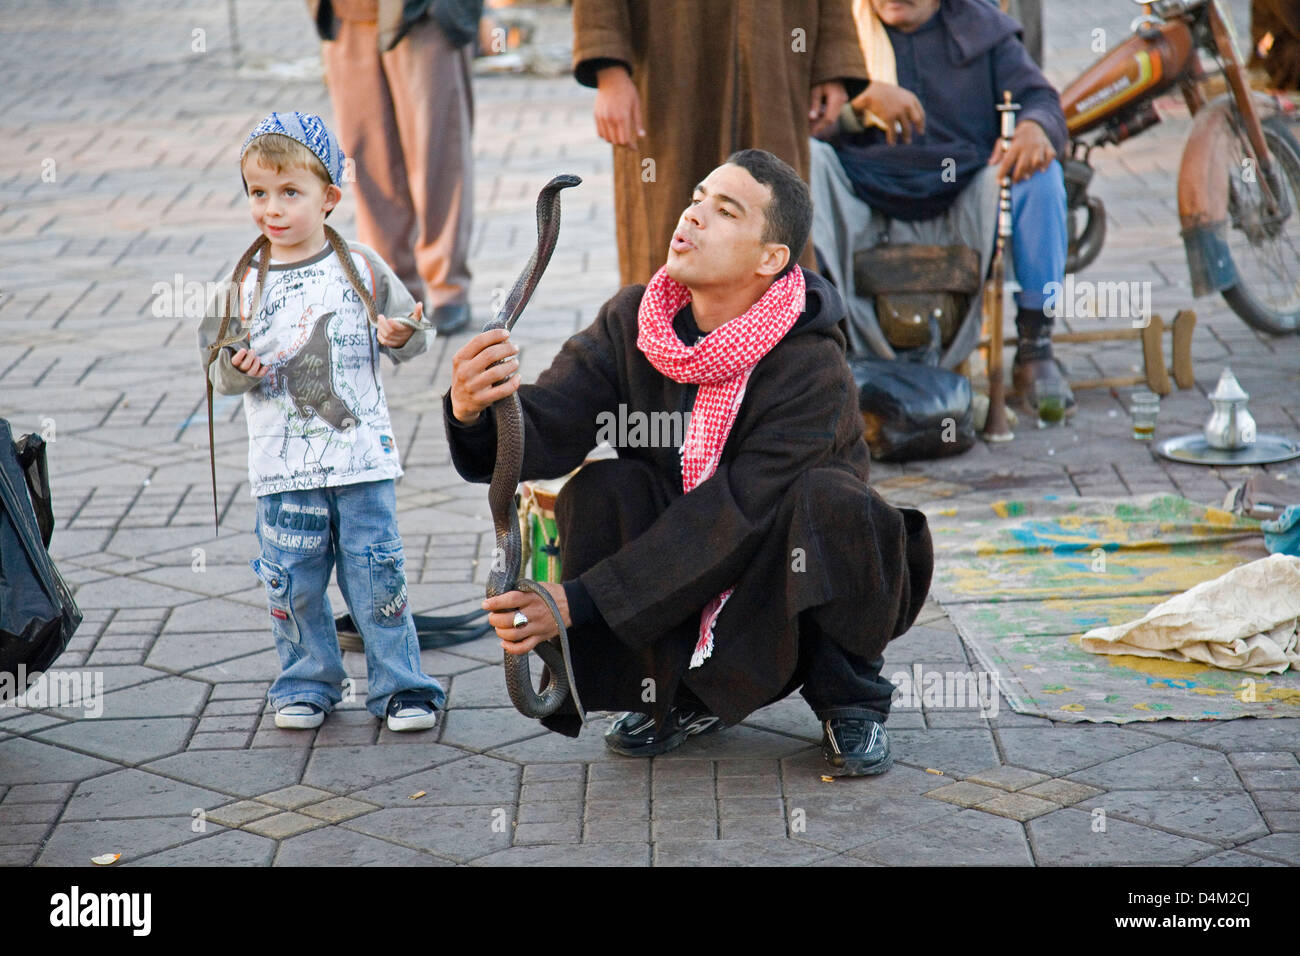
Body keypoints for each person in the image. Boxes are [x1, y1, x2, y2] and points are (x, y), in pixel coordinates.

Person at [444, 149, 933, 776]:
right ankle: (672, 694)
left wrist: (577, 601)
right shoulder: (636, 319)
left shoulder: (812, 367)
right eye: (697, 197)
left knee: (835, 506)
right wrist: (474, 410)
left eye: (725, 210)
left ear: (770, 259)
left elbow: (737, 512)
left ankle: (850, 703)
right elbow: (556, 421)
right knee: (605, 486)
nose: (695, 215)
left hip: (778, 575)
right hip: (682, 566)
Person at [197, 112, 446, 732]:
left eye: (289, 192)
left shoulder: (361, 268)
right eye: (258, 193)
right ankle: (307, 681)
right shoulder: (241, 286)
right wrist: (238, 368)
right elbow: (216, 369)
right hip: (283, 472)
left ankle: (402, 688)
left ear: (329, 197)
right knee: (296, 585)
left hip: (362, 462)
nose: (271, 209)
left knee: (377, 577)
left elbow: (411, 335)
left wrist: (403, 331)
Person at [810, 0, 1071, 412]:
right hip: (860, 204)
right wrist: (860, 96)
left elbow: (1040, 98)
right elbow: (802, 114)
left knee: (1040, 173)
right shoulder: (844, 32)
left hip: (962, 201)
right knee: (800, 160)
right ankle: (819, 349)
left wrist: (1035, 128)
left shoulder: (982, 26)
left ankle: (1035, 348)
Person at [572, 0, 870, 287]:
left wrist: (833, 59)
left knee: (773, 209)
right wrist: (609, 71)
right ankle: (659, 331)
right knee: (667, 216)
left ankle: (783, 331)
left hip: (776, 52)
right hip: (665, 62)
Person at [307, 0, 479, 334]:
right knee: (366, 159)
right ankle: (390, 286)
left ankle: (447, 286)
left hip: (424, 14)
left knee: (438, 152)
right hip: (347, 16)